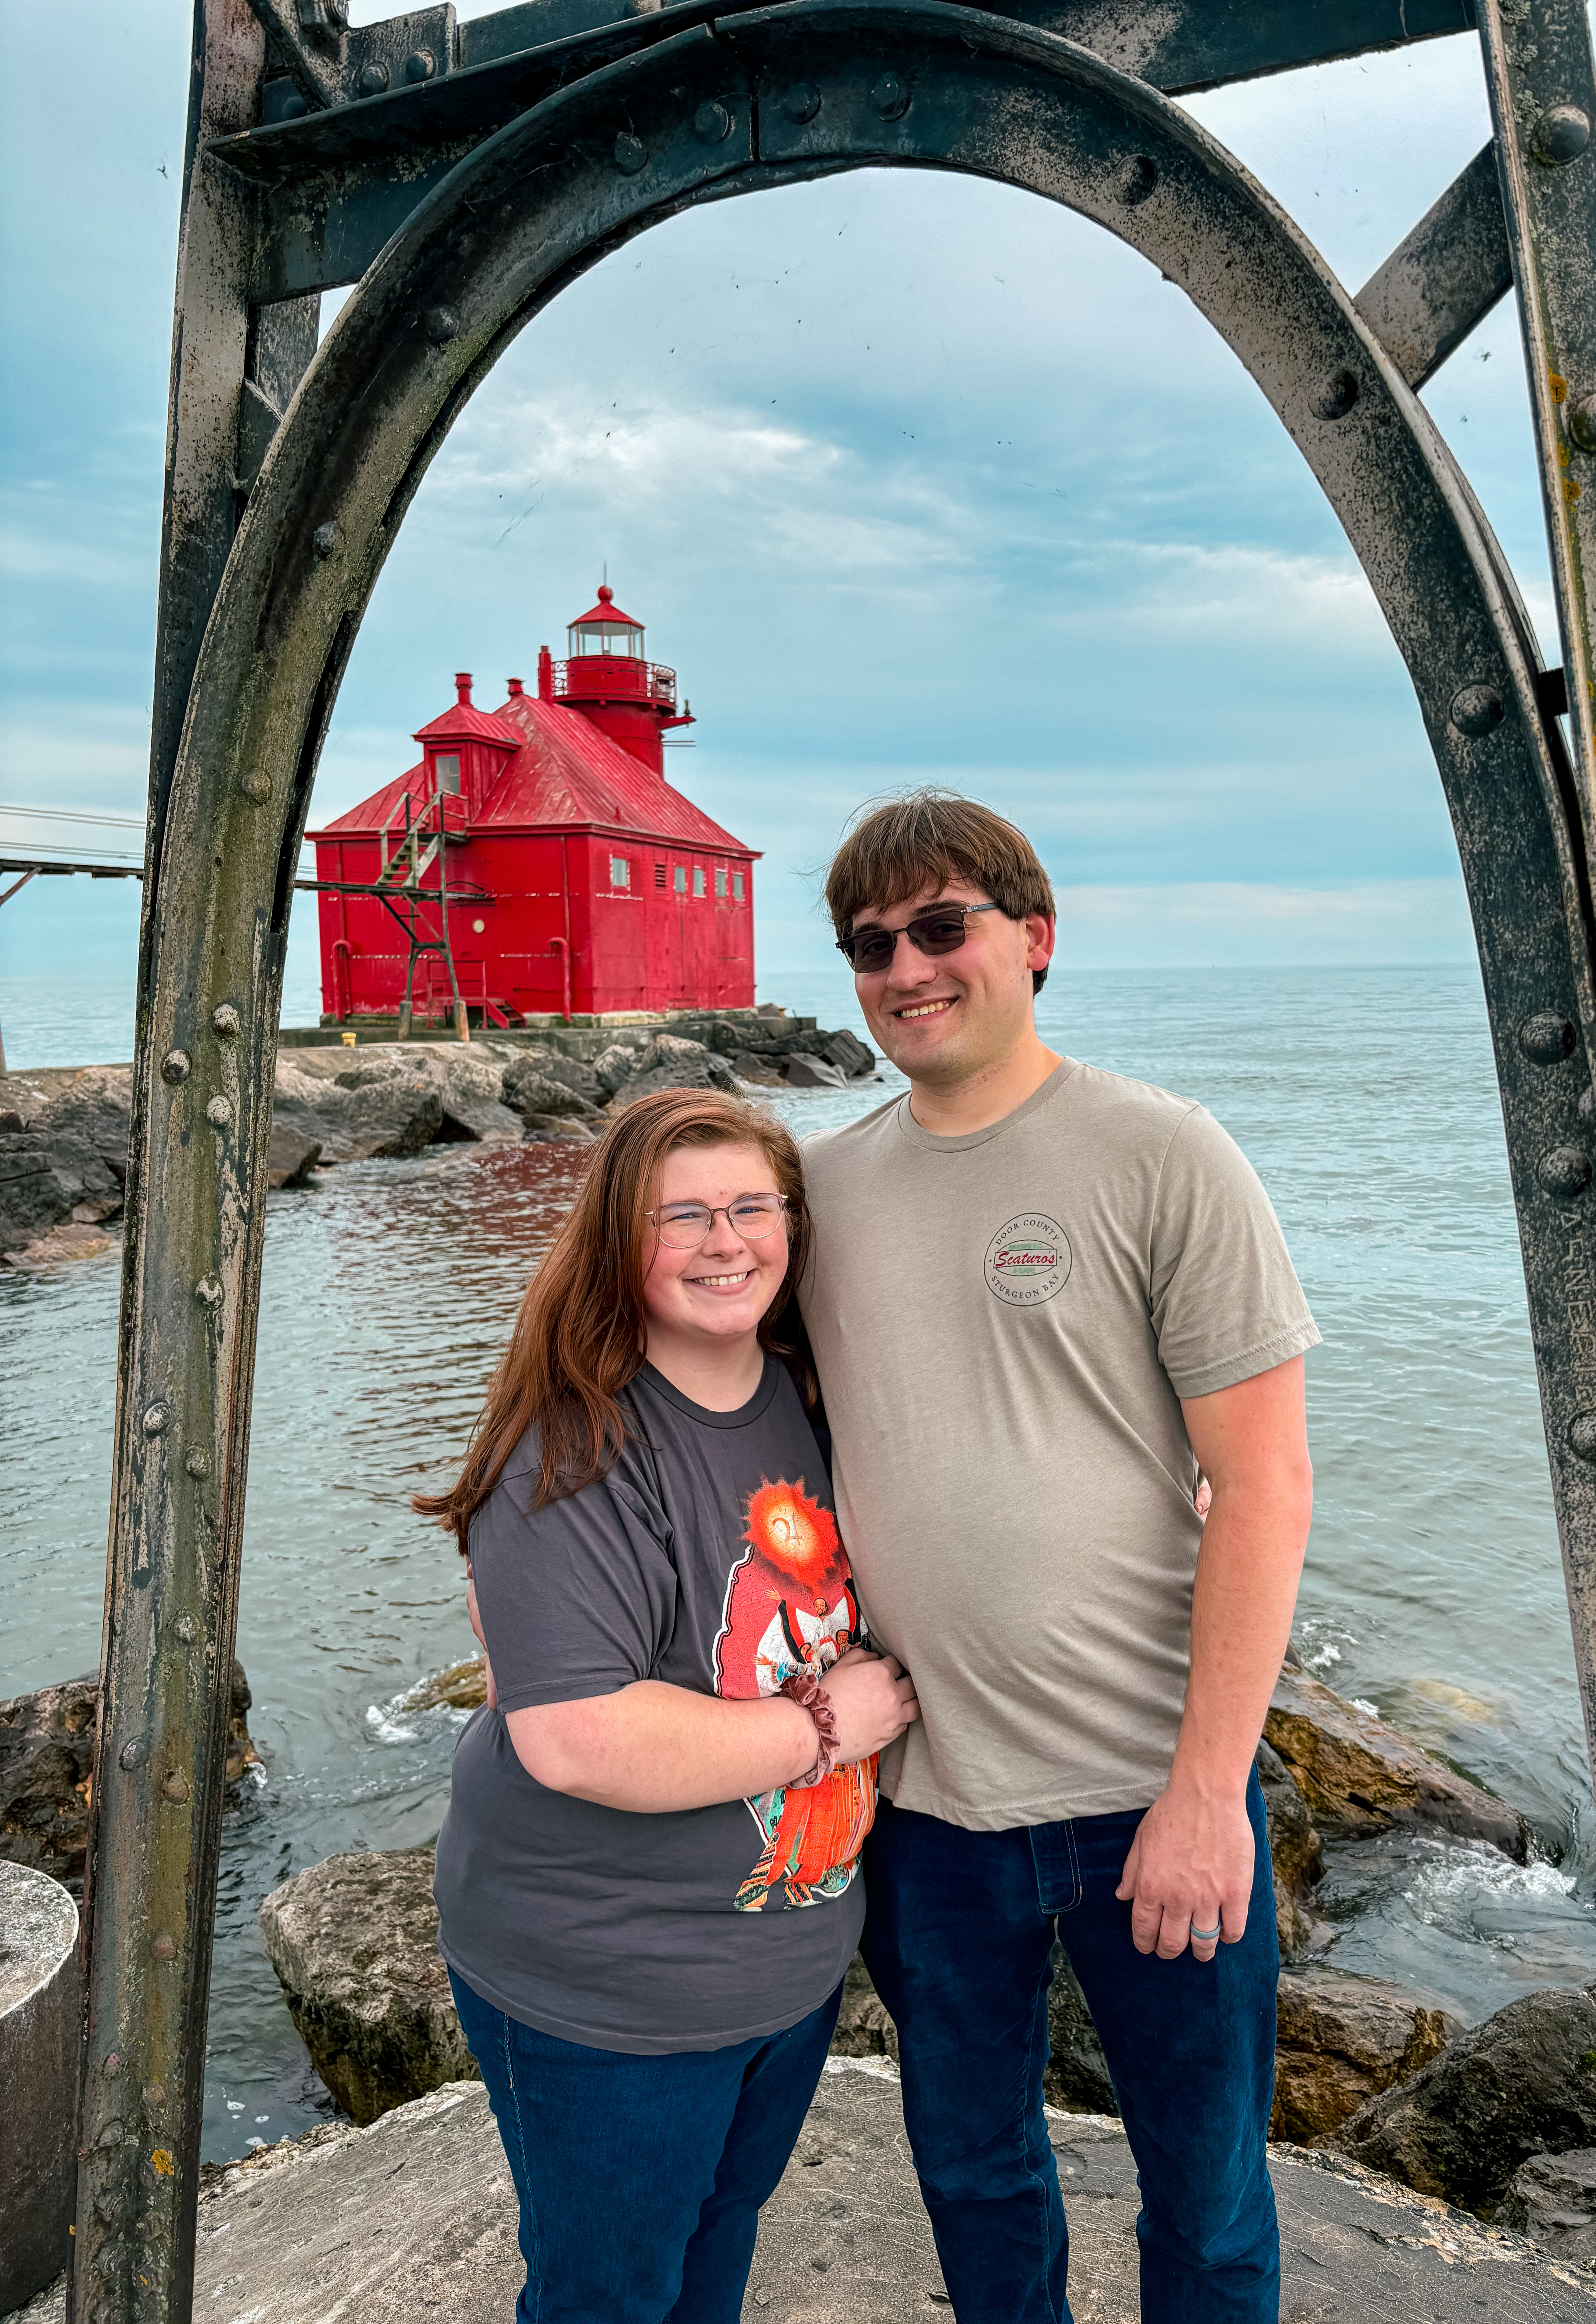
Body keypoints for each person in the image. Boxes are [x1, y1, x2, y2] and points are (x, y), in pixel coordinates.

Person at [799, 791, 1319, 2323]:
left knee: (1207, 2196)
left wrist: (1209, 1798)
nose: (907, 966)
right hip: (923, 1813)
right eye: (870, 944)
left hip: (1147, 1796)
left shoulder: (1163, 1154)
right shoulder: (818, 1192)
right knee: (971, 2177)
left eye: (942, 926)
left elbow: (1267, 1491)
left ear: (1032, 938)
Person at [418, 1087, 918, 2324]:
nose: (724, 1241)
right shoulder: (574, 1450)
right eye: (678, 1215)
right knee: (609, 2296)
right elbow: (577, 1738)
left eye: (752, 1206)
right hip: (609, 1992)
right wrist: (827, 1730)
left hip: (782, 1968)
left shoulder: (815, 1401)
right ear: (615, 1243)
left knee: (711, 2257)